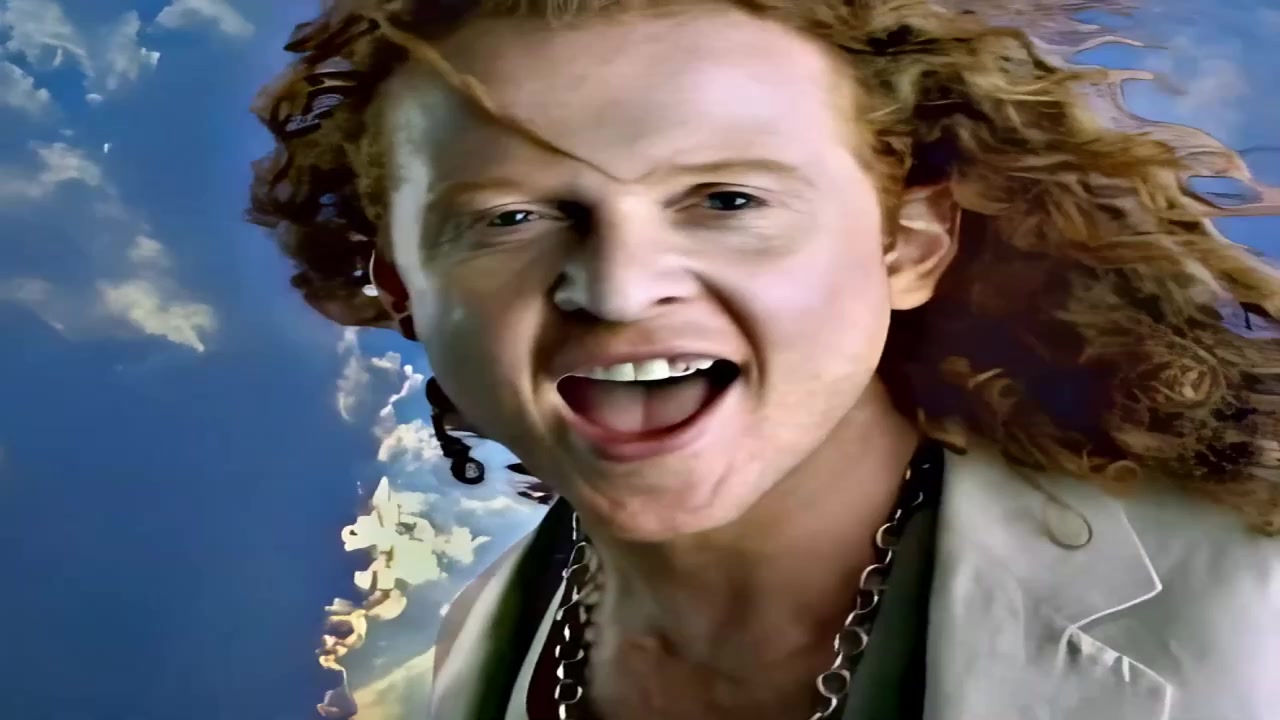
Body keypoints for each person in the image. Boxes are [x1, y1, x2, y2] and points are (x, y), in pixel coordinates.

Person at [248, 1, 1280, 718]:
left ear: (907, 246)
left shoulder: (1253, 613)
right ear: (400, 286)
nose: (617, 290)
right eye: (509, 218)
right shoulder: (486, 649)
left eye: (726, 200)